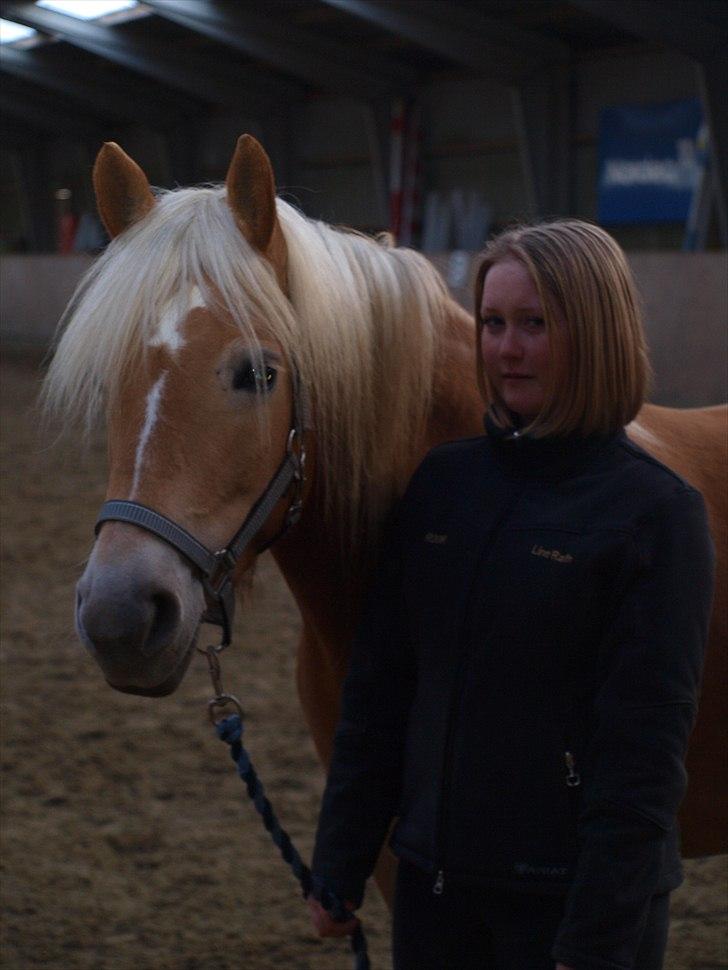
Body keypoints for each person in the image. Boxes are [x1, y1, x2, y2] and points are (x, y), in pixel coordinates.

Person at [307, 220, 715, 969]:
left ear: (595, 332)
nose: (504, 349)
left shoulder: (655, 513)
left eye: (534, 324)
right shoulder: (442, 486)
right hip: (436, 891)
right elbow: (381, 691)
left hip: (569, 910)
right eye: (493, 323)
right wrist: (339, 865)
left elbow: (644, 753)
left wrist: (594, 942)